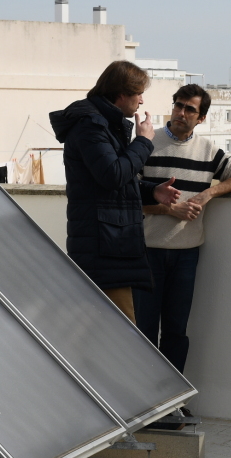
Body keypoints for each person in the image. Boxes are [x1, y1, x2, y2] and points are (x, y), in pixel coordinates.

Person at [137, 84, 231, 378]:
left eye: (189, 109)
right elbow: (128, 198)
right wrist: (169, 209)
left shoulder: (208, 151)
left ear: (201, 118)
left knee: (177, 331)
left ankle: (172, 402)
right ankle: (145, 404)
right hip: (148, 252)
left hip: (186, 255)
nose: (181, 112)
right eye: (178, 105)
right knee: (143, 330)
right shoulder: (146, 144)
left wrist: (206, 195)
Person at [50, 61, 181, 321]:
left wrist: (152, 192)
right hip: (104, 248)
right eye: (138, 94)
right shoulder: (91, 125)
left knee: (110, 335)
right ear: (121, 95)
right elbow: (112, 175)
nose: (141, 101)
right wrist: (143, 141)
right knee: (119, 339)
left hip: (110, 246)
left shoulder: (104, 123)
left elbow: (110, 182)